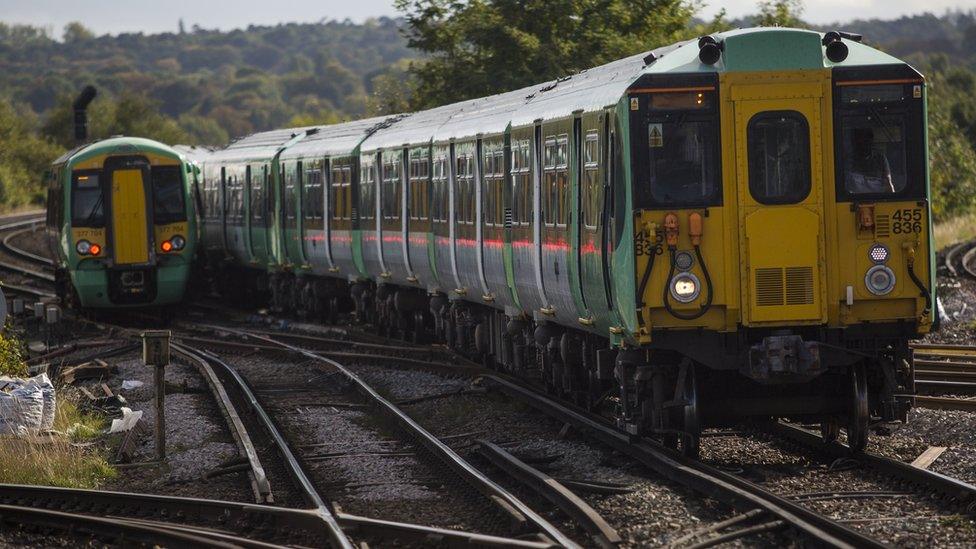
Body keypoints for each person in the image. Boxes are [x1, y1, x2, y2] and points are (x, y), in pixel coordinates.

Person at [846, 127, 895, 193]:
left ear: (871, 141)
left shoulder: (880, 158)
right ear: (855, 142)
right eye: (860, 140)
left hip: (879, 200)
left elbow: (888, 183)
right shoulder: (849, 160)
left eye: (866, 140)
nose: (863, 144)